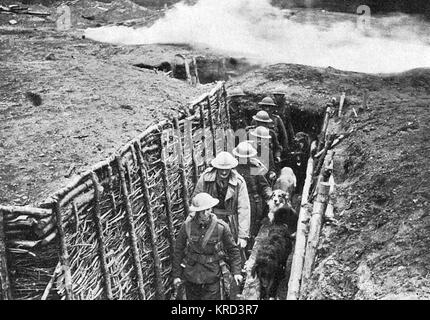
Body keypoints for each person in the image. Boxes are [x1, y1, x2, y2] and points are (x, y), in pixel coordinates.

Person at [172, 193, 243, 300]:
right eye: (202, 211)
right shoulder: (187, 226)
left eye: (208, 209)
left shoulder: (221, 227)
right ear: (196, 211)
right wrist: (177, 275)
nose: (205, 214)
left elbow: (233, 250)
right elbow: (178, 250)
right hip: (191, 275)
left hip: (212, 275)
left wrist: (236, 272)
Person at [193, 151, 251, 251]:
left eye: (227, 169)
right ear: (216, 168)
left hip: (231, 221)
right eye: (221, 169)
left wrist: (243, 236)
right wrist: (195, 226)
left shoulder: (239, 182)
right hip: (209, 219)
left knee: (233, 251)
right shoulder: (205, 178)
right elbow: (196, 201)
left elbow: (244, 208)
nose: (224, 172)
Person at [232, 141, 272, 253]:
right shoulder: (234, 169)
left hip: (253, 202)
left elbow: (264, 186)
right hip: (238, 202)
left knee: (253, 227)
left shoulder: (255, 167)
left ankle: (250, 249)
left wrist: (269, 196)